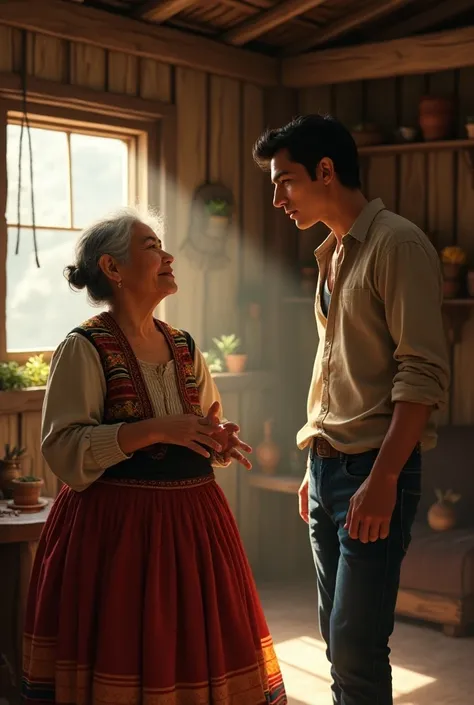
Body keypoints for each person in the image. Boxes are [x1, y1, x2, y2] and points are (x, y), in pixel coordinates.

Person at [22, 207, 287, 705]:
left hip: (194, 526)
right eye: (150, 247)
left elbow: (204, 423)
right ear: (112, 269)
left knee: (195, 645)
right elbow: (63, 449)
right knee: (126, 647)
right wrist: (155, 430)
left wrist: (217, 438)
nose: (167, 256)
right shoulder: (84, 347)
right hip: (115, 532)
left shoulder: (185, 347)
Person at [253, 115, 449, 705]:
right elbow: (335, 366)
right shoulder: (332, 253)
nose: (276, 197)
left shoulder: (398, 244)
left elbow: (422, 374)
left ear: (326, 170)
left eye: (284, 180)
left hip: (374, 471)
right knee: (338, 646)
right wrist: (315, 456)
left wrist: (384, 478)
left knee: (358, 648)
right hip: (327, 470)